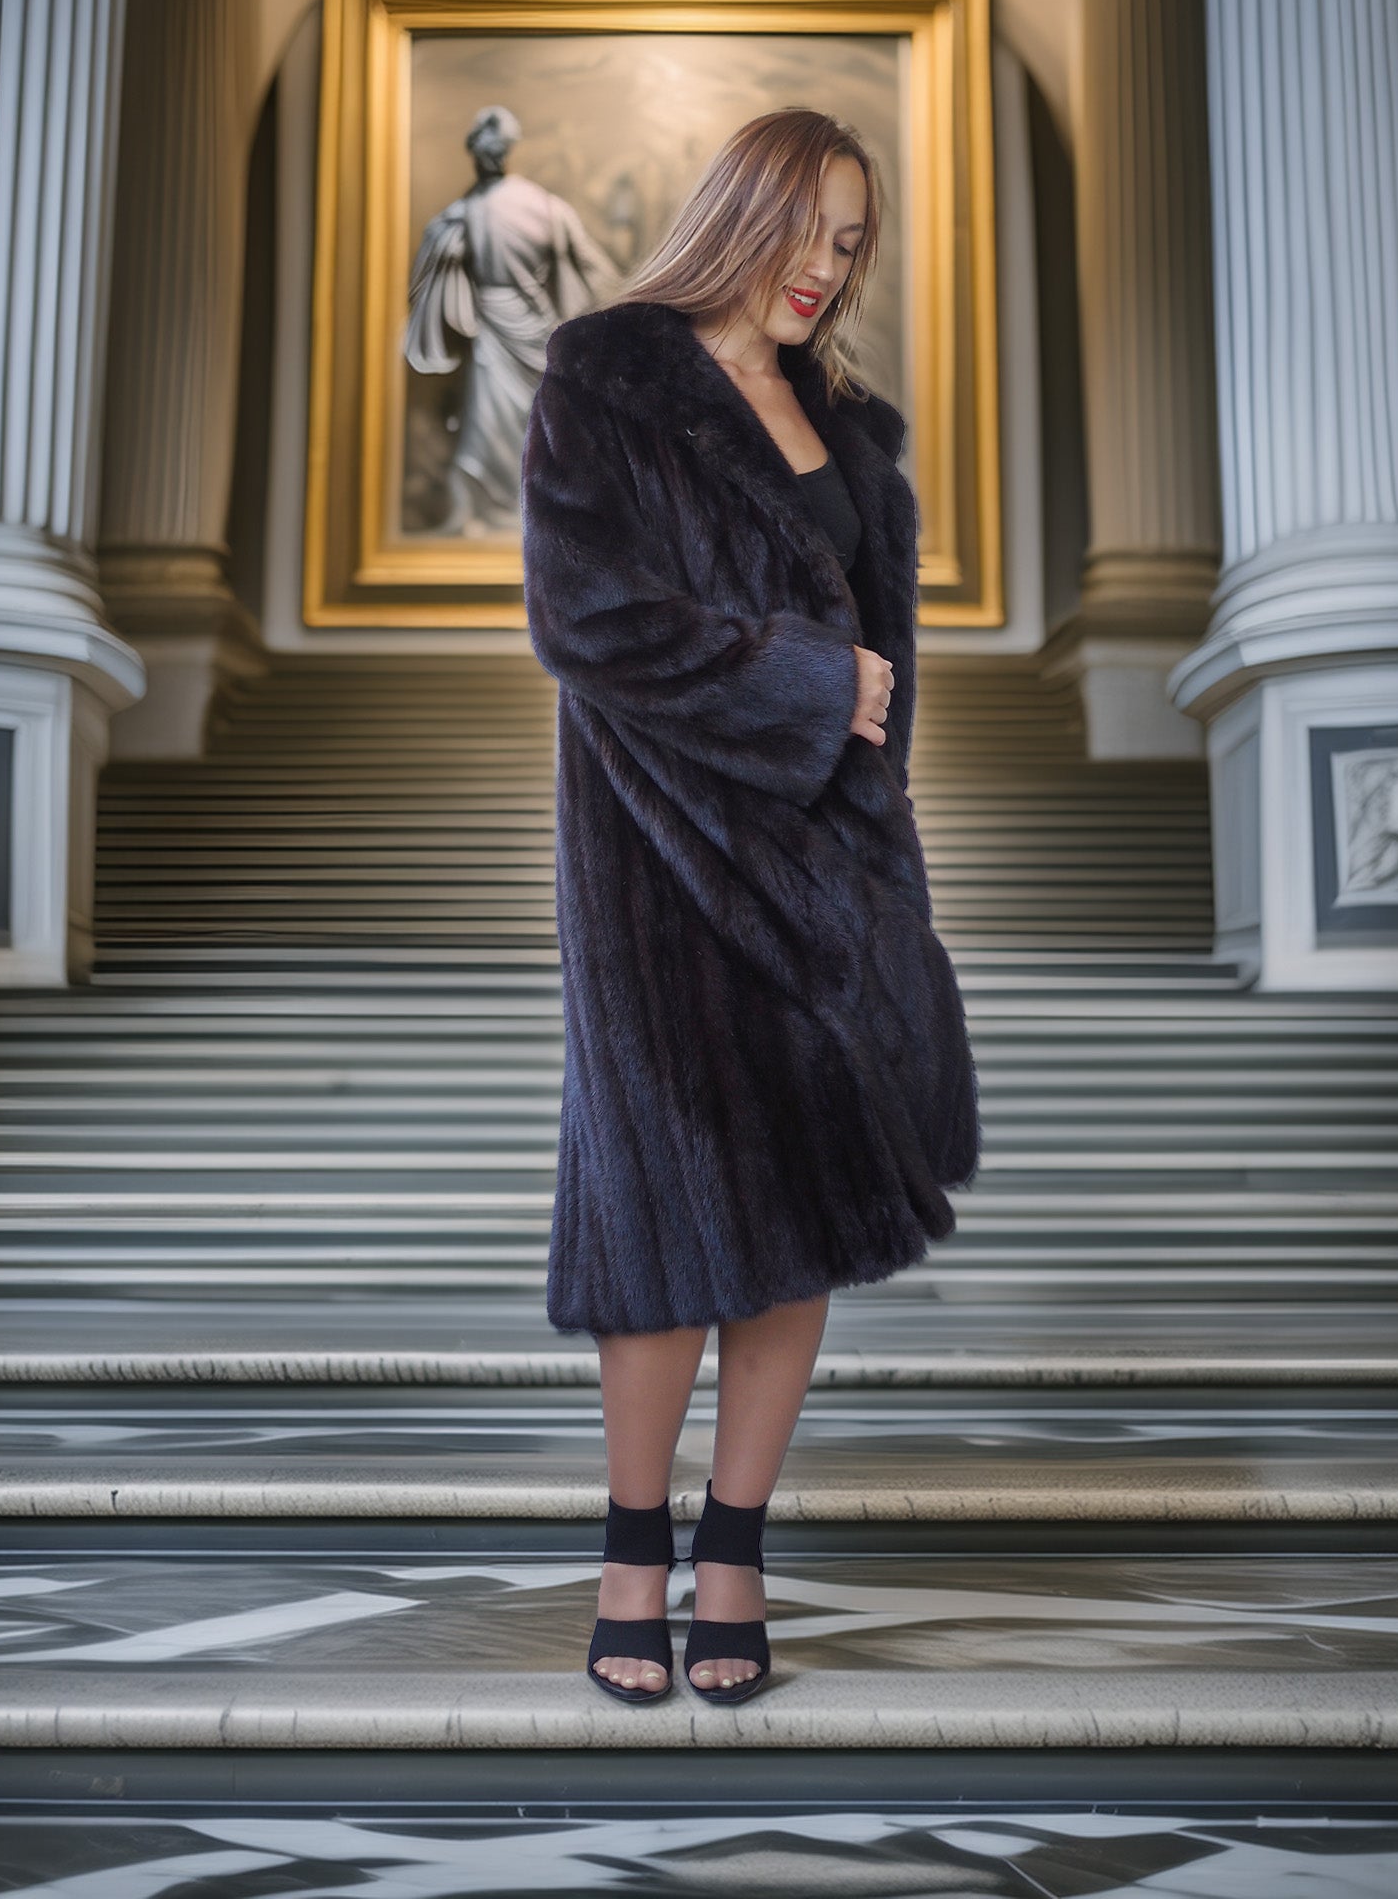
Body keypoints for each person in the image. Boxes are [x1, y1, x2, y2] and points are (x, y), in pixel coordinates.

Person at [518, 109, 982, 1707]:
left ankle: (735, 1553)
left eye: (853, 245)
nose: (825, 268)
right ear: (745, 210)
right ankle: (629, 1552)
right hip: (657, 860)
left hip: (828, 870)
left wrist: (876, 835)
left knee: (802, 1230)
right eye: (808, 228)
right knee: (660, 1220)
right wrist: (802, 682)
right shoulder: (611, 376)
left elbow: (887, 684)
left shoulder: (852, 429)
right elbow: (585, 619)